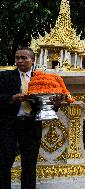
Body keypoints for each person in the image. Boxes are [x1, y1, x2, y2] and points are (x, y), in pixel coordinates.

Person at [0, 47, 63, 189]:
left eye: (24, 58)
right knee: (4, 164)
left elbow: (47, 105)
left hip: (31, 126)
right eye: (17, 58)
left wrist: (55, 104)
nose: (20, 61)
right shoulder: (4, 77)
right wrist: (11, 98)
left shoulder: (42, 79)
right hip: (8, 126)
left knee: (29, 166)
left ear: (33, 61)